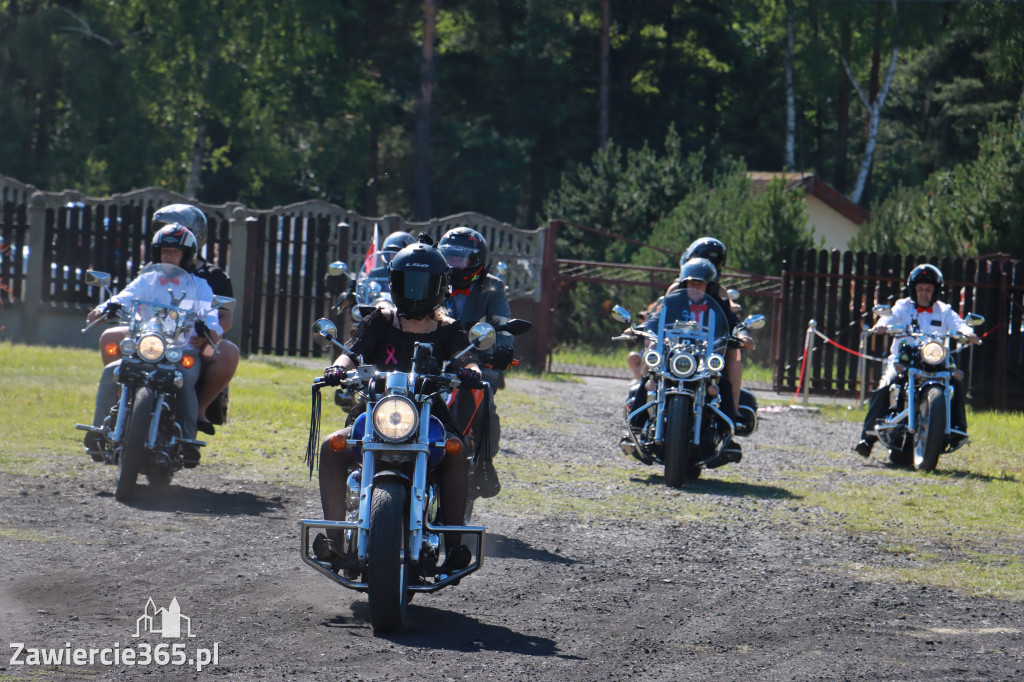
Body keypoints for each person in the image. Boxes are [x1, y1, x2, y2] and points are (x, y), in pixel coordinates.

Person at [316, 235, 484, 572]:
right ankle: (335, 541)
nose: (416, 291)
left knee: (454, 452)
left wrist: (472, 373)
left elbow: (468, 360)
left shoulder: (449, 329)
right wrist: (338, 369)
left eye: (424, 284)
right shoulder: (380, 319)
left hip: (428, 416)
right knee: (331, 447)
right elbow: (352, 352)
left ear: (439, 287)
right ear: (395, 283)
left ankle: (453, 548)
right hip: (376, 411)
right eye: (409, 282)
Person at [98, 203, 239, 436]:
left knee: (229, 353)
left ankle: (199, 411)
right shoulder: (151, 273)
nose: (169, 234)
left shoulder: (211, 278)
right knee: (109, 338)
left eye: (176, 229)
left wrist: (209, 335)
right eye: (163, 230)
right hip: (150, 333)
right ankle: (125, 396)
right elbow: (130, 297)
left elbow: (224, 317)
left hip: (192, 340)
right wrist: (107, 308)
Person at [85, 225, 221, 463]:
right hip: (145, 346)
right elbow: (123, 297)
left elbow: (211, 316)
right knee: (111, 371)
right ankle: (99, 432)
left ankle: (188, 442)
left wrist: (211, 330)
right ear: (156, 253)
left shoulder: (200, 286)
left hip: (180, 350)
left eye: (175, 252)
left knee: (185, 379)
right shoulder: (147, 280)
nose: (169, 256)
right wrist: (104, 308)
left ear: (187, 255)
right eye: (165, 251)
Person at [853, 263, 981, 459]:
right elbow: (889, 318)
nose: (924, 293)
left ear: (936, 291)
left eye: (928, 289)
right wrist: (881, 326)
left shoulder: (943, 310)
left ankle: (956, 430)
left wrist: (969, 334)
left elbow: (959, 323)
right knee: (886, 384)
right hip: (903, 360)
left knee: (955, 381)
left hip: (934, 360)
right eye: (920, 288)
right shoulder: (903, 306)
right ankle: (867, 438)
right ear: (913, 289)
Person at [626, 257, 742, 463]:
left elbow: (734, 324)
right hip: (676, 355)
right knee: (651, 379)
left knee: (722, 383)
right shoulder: (673, 302)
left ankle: (727, 437)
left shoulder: (718, 305)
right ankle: (634, 428)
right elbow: (655, 321)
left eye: (700, 283)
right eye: (691, 283)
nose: (695, 287)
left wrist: (742, 335)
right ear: (684, 284)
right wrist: (638, 330)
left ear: (709, 286)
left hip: (703, 359)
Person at [666, 238, 753, 421]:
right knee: (653, 358)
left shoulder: (716, 291)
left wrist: (742, 334)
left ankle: (731, 416)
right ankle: (640, 414)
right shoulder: (678, 288)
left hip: (707, 349)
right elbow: (660, 316)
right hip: (676, 346)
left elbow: (729, 316)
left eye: (713, 264)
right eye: (701, 261)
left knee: (731, 358)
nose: (705, 267)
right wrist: (643, 328)